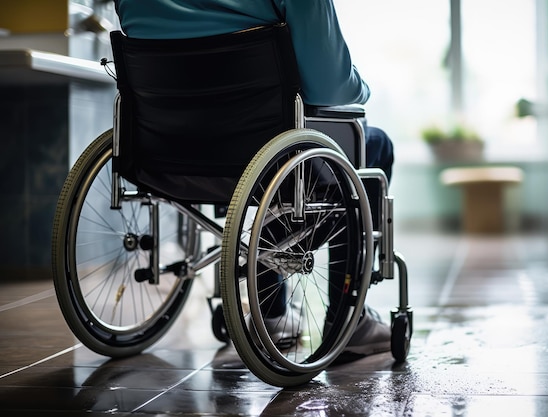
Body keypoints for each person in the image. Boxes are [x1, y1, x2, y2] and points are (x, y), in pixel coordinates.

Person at [113, 0, 395, 362]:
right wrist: (362, 88)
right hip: (264, 156)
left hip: (166, 159)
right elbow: (332, 89)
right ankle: (347, 320)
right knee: (374, 145)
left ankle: (272, 312)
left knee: (276, 159)